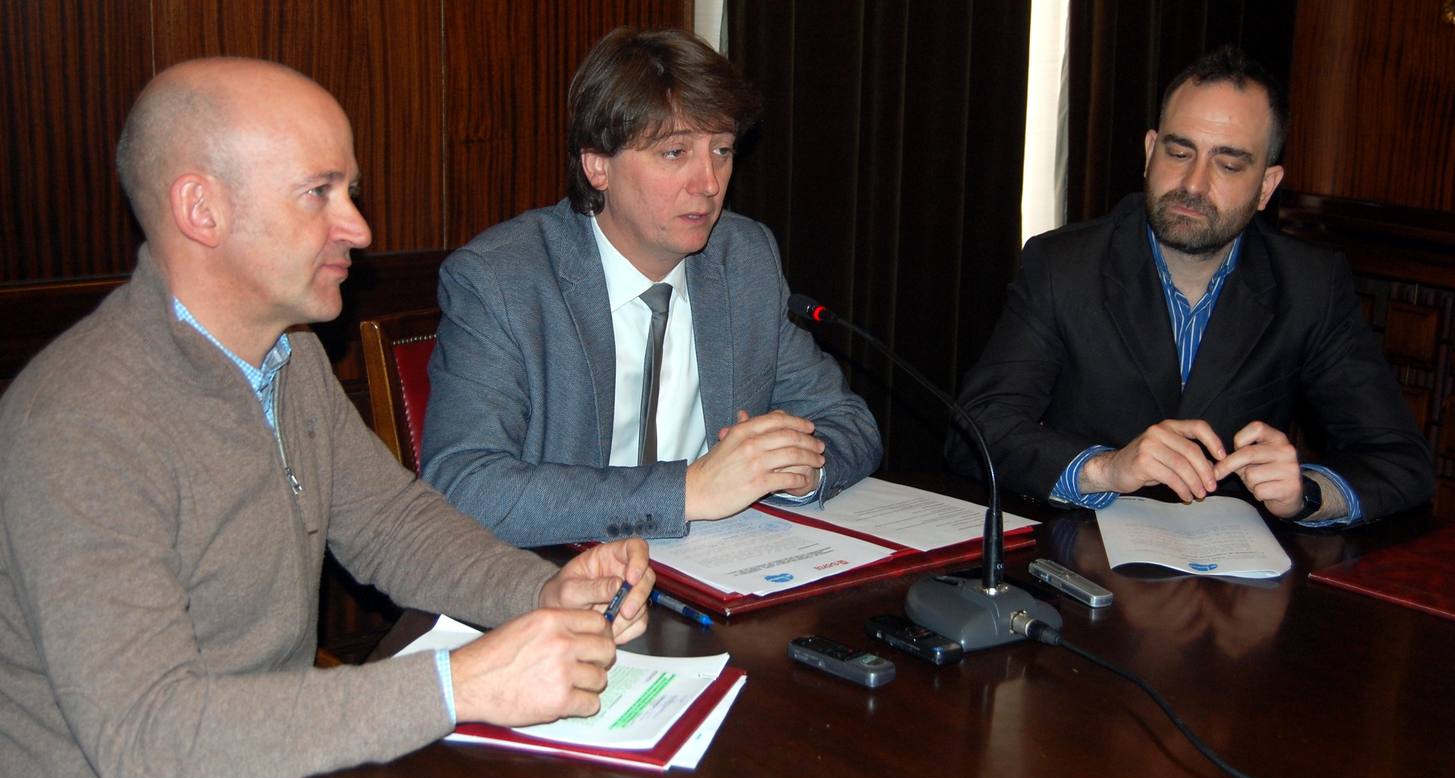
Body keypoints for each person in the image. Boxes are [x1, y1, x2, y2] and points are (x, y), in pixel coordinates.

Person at [0, 58, 651, 778]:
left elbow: (391, 526)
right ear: (201, 209)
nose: (358, 226)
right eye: (320, 193)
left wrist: (543, 593)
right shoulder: (84, 422)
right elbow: (150, 749)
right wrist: (464, 685)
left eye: (350, 191)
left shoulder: (284, 357)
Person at [421, 27, 882, 548]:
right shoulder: (501, 281)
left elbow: (846, 421)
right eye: (674, 153)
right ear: (598, 165)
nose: (708, 182)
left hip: (721, 572)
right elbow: (463, 486)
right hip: (559, 583)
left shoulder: (744, 258)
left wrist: (801, 470)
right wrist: (687, 491)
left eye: (723, 151)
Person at [949, 46, 1431, 524]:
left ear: (1266, 186)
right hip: (1080, 556)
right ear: (1148, 152)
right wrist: (1104, 468)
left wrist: (1308, 493)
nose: (1193, 184)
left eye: (1228, 164)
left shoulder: (1309, 285)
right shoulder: (1064, 264)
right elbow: (978, 430)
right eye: (1179, 152)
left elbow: (1400, 462)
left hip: (1235, 578)